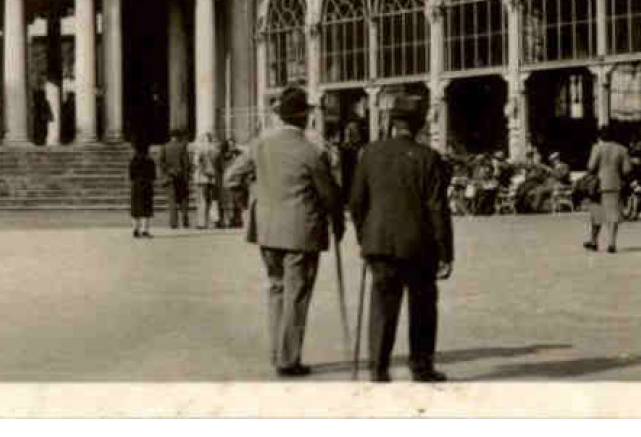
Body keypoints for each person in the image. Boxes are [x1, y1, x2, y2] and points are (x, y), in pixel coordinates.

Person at [223, 86, 344, 377]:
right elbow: (329, 195)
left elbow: (230, 178)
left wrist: (250, 203)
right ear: (304, 117)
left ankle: (277, 352)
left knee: (277, 289)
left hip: (267, 230)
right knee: (297, 294)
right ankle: (288, 359)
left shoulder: (260, 144)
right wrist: (337, 223)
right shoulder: (311, 151)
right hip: (301, 232)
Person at [349, 101, 454, 383]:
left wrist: (364, 237)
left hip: (379, 244)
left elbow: (357, 202)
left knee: (382, 307)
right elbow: (437, 208)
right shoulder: (428, 157)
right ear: (419, 126)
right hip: (419, 246)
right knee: (422, 306)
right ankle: (421, 367)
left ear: (393, 124)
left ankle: (378, 368)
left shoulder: (369, 154)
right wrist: (446, 252)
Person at [583, 125, 631, 252]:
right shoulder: (622, 149)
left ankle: (594, 241)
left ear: (600, 136)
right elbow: (627, 170)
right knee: (613, 214)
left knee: (597, 214)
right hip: (615, 183)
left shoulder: (597, 148)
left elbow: (591, 166)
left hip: (598, 185)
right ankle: (612, 243)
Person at [159, 128, 193, 229]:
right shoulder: (182, 146)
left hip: (169, 177)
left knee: (172, 200)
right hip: (181, 177)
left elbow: (161, 162)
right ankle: (185, 220)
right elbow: (186, 163)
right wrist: (186, 174)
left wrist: (169, 171)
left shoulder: (164, 147)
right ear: (179, 136)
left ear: (170, 136)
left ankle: (173, 223)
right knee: (183, 199)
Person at [191, 131, 223, 228]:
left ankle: (202, 222)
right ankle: (215, 220)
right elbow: (220, 165)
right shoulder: (217, 150)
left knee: (203, 199)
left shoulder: (200, 150)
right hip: (214, 177)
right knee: (214, 199)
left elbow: (195, 163)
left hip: (203, 177)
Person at [128, 139, 156, 238]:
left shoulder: (133, 160)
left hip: (136, 185)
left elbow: (130, 175)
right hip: (147, 185)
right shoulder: (150, 161)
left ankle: (135, 229)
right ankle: (144, 230)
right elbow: (153, 176)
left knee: (136, 207)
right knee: (146, 207)